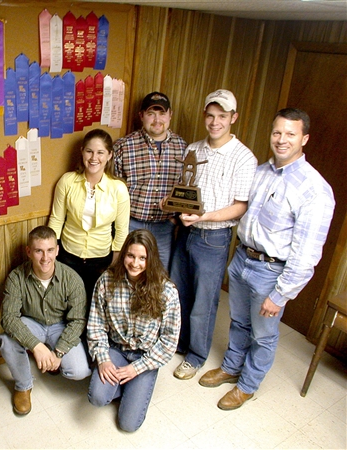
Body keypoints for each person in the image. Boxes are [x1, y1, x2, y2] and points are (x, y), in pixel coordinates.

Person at [199, 108, 335, 410]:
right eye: (277, 132)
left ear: (305, 138)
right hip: (243, 259)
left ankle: (247, 385)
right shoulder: (261, 172)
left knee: (263, 334)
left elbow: (307, 253)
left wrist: (281, 294)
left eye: (290, 134)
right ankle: (231, 368)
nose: (282, 140)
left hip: (272, 271)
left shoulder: (315, 190)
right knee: (238, 321)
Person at [170, 89, 257, 381]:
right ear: (204, 116)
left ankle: (195, 357)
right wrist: (179, 209)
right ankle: (179, 343)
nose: (215, 122)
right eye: (210, 115)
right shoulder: (193, 148)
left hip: (214, 238)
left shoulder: (243, 158)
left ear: (233, 118)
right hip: (185, 232)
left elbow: (240, 206)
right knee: (179, 292)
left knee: (204, 302)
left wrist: (204, 216)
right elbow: (185, 190)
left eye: (222, 116)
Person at [87, 229, 180, 432]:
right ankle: (123, 386)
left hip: (144, 357)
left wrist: (136, 369)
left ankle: (132, 386)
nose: (135, 263)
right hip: (116, 349)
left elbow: (169, 342)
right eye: (130, 255)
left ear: (151, 259)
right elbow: (96, 324)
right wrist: (103, 359)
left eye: (142, 258)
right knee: (97, 397)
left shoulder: (167, 291)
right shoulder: (106, 281)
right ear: (123, 255)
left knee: (128, 425)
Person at [0, 225, 91, 415]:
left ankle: (49, 355)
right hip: (32, 324)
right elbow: (8, 318)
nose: (45, 257)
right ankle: (23, 385)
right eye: (39, 251)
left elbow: (78, 321)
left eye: (50, 250)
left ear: (57, 250)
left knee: (79, 371)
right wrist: (36, 346)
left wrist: (59, 352)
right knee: (6, 340)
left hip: (60, 326)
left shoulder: (72, 278)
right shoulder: (16, 277)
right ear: (29, 252)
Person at [48, 128, 130, 301]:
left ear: (109, 155)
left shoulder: (118, 189)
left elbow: (122, 231)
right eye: (89, 151)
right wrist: (51, 254)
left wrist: (114, 265)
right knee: (68, 304)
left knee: (94, 309)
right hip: (68, 256)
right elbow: (56, 220)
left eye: (100, 152)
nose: (94, 158)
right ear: (82, 152)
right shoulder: (67, 181)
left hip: (101, 260)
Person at [114, 92, 187, 271]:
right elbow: (112, 190)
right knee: (127, 273)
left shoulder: (183, 147)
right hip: (131, 223)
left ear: (170, 114)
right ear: (141, 116)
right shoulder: (123, 146)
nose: (157, 119)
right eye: (151, 114)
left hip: (164, 226)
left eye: (162, 113)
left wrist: (174, 219)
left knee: (159, 276)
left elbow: (187, 188)